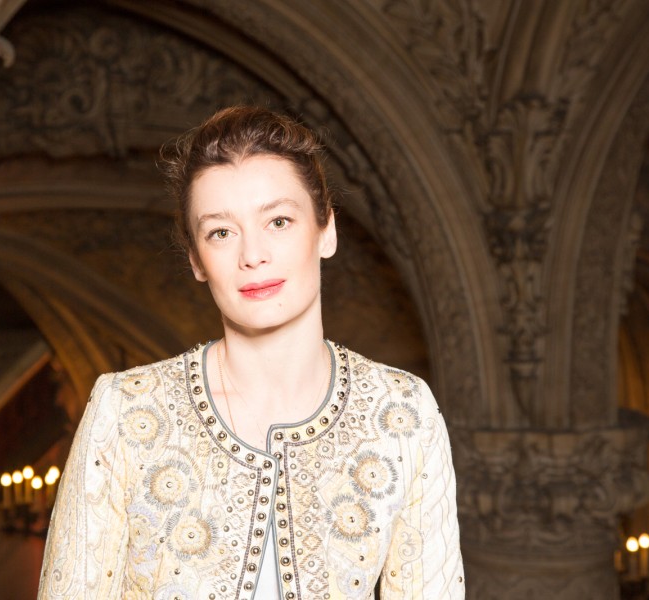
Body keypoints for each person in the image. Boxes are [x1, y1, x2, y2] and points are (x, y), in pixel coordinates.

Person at [38, 106, 464, 599]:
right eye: (221, 232)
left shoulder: (404, 413)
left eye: (279, 221)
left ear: (326, 230)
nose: (252, 255)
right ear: (197, 259)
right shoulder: (125, 411)